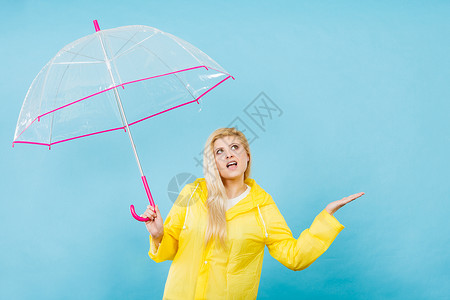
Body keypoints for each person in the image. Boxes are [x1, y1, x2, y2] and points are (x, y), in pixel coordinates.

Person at [141, 127, 364, 299]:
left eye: (235, 148)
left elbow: (294, 256)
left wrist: (326, 217)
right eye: (220, 151)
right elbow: (170, 250)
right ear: (213, 163)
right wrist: (159, 234)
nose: (229, 155)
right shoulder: (191, 194)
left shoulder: (262, 206)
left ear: (247, 156)